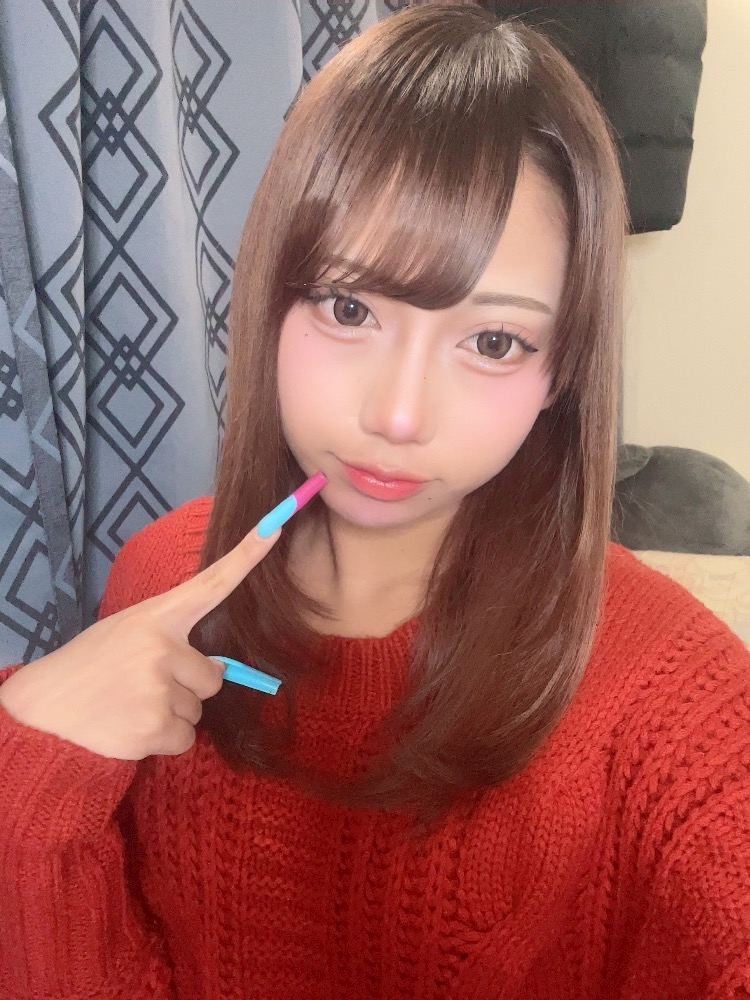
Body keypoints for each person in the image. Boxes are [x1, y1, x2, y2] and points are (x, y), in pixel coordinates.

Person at [1, 5, 748, 998]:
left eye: (494, 342)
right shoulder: (162, 578)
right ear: (272, 299)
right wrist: (32, 768)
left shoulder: (671, 695)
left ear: (563, 368)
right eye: (349, 307)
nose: (398, 416)